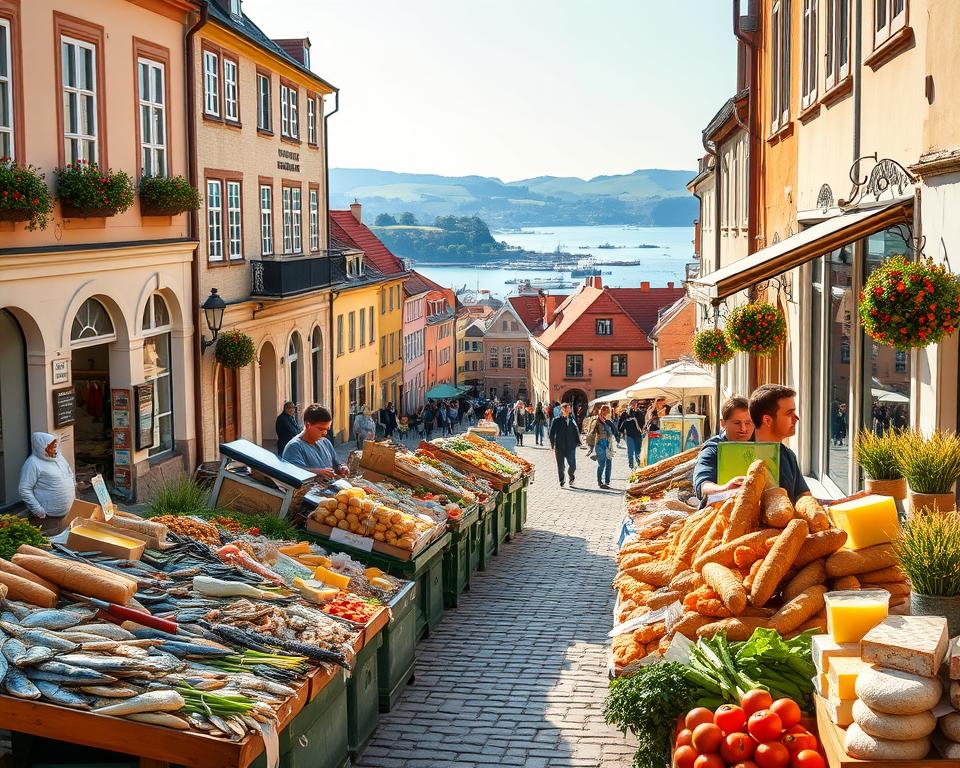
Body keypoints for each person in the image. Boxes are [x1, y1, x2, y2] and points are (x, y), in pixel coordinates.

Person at [750, 384, 812, 504]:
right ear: (767, 420)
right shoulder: (737, 453)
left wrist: (836, 503)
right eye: (789, 413)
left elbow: (804, 497)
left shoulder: (788, 455)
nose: (796, 418)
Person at [693, 396, 755, 506]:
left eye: (748, 423)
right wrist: (725, 488)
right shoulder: (712, 448)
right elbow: (702, 486)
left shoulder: (762, 445)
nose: (743, 429)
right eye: (737, 423)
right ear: (723, 423)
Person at [19, 432, 75, 534]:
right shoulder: (32, 463)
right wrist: (37, 509)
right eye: (50, 446)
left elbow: (70, 474)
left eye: (55, 445)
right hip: (47, 516)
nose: (54, 448)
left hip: (66, 512)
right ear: (41, 446)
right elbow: (24, 489)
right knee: (49, 541)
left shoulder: (59, 459)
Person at [282, 404, 349, 478]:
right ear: (308, 425)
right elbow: (294, 474)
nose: (325, 433)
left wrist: (341, 468)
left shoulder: (325, 442)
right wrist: (317, 472)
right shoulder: (294, 447)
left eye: (327, 429)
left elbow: (336, 466)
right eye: (321, 429)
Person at [588, 404, 620, 489]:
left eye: (607, 412)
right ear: (602, 411)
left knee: (609, 463)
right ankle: (599, 482)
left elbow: (611, 432)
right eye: (606, 411)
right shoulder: (596, 421)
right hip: (599, 444)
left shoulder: (607, 421)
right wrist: (591, 448)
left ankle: (607, 481)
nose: (607, 413)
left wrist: (605, 423)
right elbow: (591, 433)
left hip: (608, 444)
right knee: (601, 464)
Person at [549, 402, 581, 487]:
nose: (568, 410)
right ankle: (562, 480)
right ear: (562, 410)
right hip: (559, 447)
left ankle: (571, 476)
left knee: (573, 465)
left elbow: (576, 431)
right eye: (567, 408)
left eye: (569, 408)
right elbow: (551, 434)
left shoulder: (572, 419)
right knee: (561, 466)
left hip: (571, 446)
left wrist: (578, 442)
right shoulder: (556, 420)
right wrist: (552, 446)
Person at [617, 399, 644, 472]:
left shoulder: (640, 413)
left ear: (637, 404)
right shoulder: (625, 413)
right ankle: (631, 466)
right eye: (632, 403)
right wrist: (621, 430)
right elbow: (620, 424)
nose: (634, 405)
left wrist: (635, 415)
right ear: (630, 404)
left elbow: (642, 423)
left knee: (638, 451)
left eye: (635, 403)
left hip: (638, 435)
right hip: (629, 435)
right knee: (630, 451)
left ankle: (638, 465)